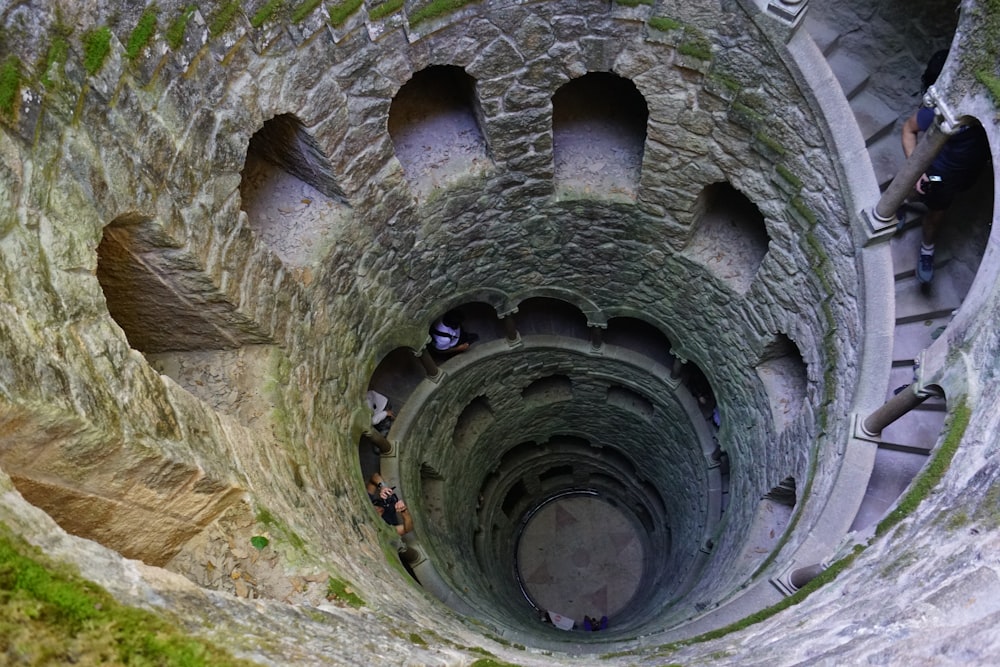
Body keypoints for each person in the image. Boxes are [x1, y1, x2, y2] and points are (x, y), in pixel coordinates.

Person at [899, 49, 990, 284]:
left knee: (935, 195)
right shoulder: (937, 115)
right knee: (935, 206)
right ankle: (925, 246)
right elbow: (908, 129)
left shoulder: (980, 114)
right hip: (939, 176)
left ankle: (902, 199)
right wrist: (917, 169)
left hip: (966, 174)